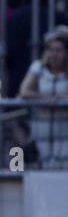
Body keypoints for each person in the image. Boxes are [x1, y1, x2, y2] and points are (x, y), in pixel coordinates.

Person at [19, 26, 68, 167]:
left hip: (64, 131)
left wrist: (59, 98)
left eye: (59, 51)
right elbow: (24, 91)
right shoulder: (38, 67)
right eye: (51, 50)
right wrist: (47, 97)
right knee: (42, 167)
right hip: (42, 130)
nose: (54, 55)